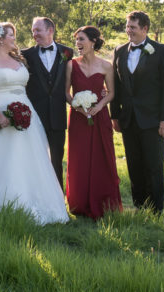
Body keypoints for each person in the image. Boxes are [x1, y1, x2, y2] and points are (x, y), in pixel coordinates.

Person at [0, 22, 69, 224]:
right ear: (0, 38)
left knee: (28, 160)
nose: (14, 38)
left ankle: (30, 203)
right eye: (11, 35)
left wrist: (22, 112)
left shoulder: (19, 60)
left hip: (26, 117)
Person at [109, 11, 164, 214]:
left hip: (153, 120)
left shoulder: (161, 51)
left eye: (133, 27)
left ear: (145, 29)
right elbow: (116, 86)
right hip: (128, 119)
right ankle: (140, 205)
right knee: (134, 164)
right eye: (127, 27)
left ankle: (156, 209)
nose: (128, 31)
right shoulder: (119, 51)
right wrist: (115, 115)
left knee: (153, 165)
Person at [65, 25, 122, 219]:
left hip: (100, 118)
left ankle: (103, 202)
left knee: (102, 158)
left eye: (81, 39)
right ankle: (78, 203)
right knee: (79, 159)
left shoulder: (106, 66)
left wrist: (99, 106)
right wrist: (76, 106)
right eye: (77, 40)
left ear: (93, 42)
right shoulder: (71, 65)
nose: (78, 44)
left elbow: (112, 92)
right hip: (79, 120)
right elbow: (66, 92)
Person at [20, 16, 72, 188]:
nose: (35, 34)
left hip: (58, 115)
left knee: (57, 158)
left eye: (38, 30)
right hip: (34, 117)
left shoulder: (67, 52)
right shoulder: (25, 55)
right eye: (33, 30)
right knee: (35, 158)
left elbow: (76, 79)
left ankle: (58, 197)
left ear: (50, 31)